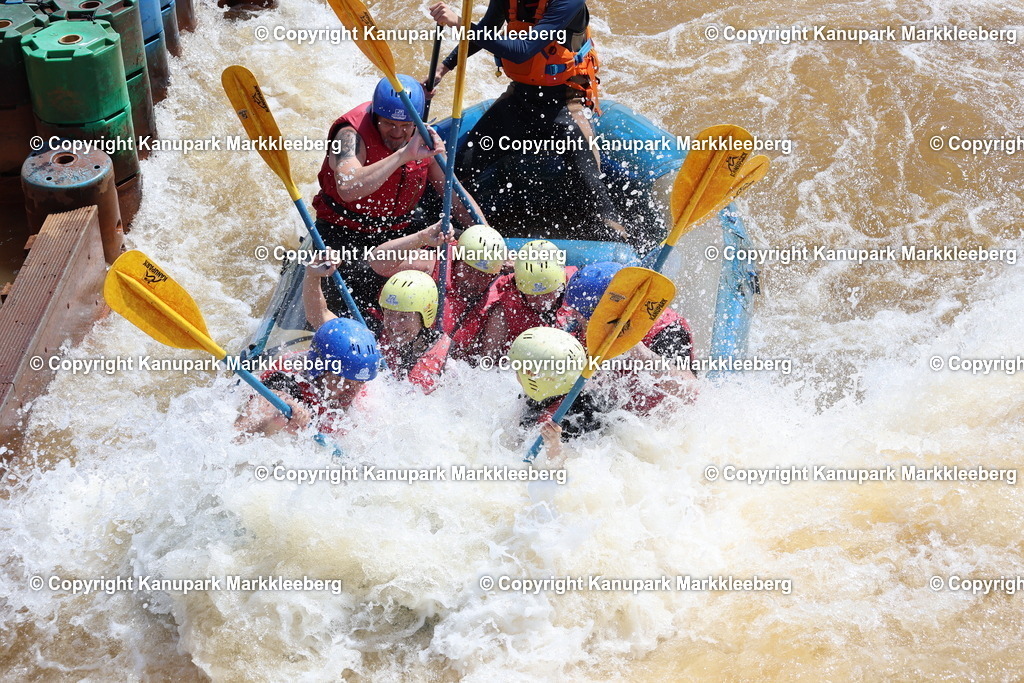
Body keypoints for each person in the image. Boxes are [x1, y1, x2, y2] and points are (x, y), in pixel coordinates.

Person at [427, 0, 630, 245]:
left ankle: (620, 240)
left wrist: (460, 23)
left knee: (593, 188)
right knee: (459, 170)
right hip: (519, 99)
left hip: (565, 102)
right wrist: (444, 68)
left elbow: (522, 49)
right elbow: (486, 31)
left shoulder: (568, 2)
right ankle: (448, 233)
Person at [311, 75, 486, 316]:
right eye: (388, 124)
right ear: (375, 117)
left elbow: (454, 194)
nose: (397, 133)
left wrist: (489, 240)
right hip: (345, 234)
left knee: (466, 253)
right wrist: (404, 154)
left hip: (398, 230)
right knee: (381, 274)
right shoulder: (349, 136)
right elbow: (348, 188)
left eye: (405, 126)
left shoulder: (423, 136)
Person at [560, 261, 699, 406]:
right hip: (613, 415)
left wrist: (636, 349)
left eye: (579, 314)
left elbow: (692, 394)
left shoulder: (666, 328)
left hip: (656, 421)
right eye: (574, 312)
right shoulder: (578, 328)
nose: (575, 317)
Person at [368, 222, 511, 359]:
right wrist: (420, 238)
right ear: (457, 258)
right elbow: (376, 261)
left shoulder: (499, 291)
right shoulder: (435, 263)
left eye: (482, 275)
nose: (472, 280)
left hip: (447, 366)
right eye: (467, 270)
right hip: (398, 347)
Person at [235, 316, 381, 436]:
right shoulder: (288, 378)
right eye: (342, 382)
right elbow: (241, 430)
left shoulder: (354, 376)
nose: (351, 392)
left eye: (359, 383)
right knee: (278, 418)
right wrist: (285, 408)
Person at [471, 239, 577, 361]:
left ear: (560, 286)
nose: (541, 302)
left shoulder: (577, 291)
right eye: (533, 295)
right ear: (520, 289)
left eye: (547, 294)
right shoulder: (504, 308)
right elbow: (487, 361)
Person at [376, 270, 451, 392]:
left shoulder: (449, 362)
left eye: (404, 317)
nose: (394, 325)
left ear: (423, 318)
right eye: (389, 314)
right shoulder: (373, 339)